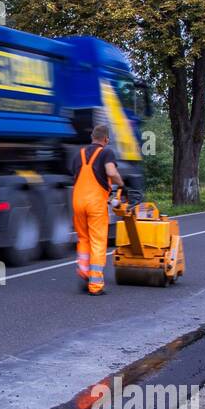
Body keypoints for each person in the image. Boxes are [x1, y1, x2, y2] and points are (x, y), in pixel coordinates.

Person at [68, 124, 123, 296]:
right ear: (106, 139)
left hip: (78, 202)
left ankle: (84, 273)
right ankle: (96, 284)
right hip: (95, 204)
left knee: (83, 239)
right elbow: (111, 171)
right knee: (98, 242)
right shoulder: (107, 152)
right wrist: (121, 184)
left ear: (92, 137)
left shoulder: (79, 154)